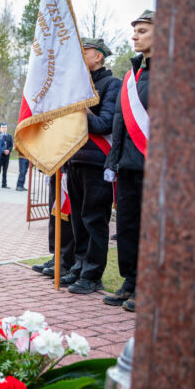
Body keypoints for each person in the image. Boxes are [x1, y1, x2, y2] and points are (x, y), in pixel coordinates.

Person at [103, 10, 154, 313]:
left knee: (149, 229)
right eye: (135, 30)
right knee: (127, 227)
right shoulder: (131, 76)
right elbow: (120, 123)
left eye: (143, 30)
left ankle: (146, 285)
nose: (135, 35)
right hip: (127, 166)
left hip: (152, 168)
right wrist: (112, 161)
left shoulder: (171, 73)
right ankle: (130, 280)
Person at [64, 38, 121, 294]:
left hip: (98, 162)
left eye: (84, 52)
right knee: (77, 220)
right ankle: (78, 265)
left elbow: (104, 124)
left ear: (98, 56)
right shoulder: (79, 85)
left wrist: (81, 107)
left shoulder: (112, 84)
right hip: (75, 159)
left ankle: (92, 274)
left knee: (94, 220)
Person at [0, 123, 13, 188]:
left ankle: (4, 184)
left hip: (7, 156)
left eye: (5, 127)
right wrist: (3, 151)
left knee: (5, 170)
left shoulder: (9, 136)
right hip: (0, 156)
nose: (4, 128)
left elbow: (11, 145)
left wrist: (9, 150)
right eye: (2, 127)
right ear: (0, 128)